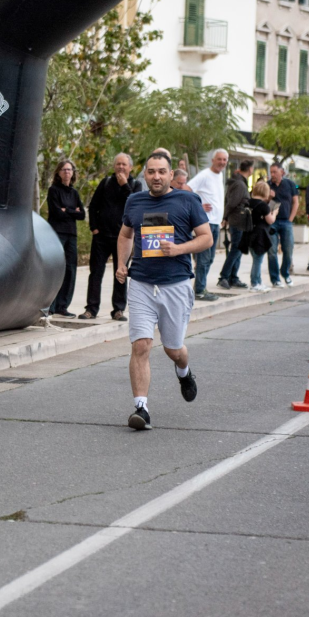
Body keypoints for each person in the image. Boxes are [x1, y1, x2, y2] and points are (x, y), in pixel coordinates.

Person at [115, 151, 211, 431]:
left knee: (173, 349)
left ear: (171, 175)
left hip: (176, 284)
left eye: (161, 171)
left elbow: (207, 238)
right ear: (144, 175)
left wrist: (179, 248)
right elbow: (125, 234)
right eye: (151, 171)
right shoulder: (135, 201)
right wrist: (121, 263)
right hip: (142, 283)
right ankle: (141, 408)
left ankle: (184, 371)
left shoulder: (187, 200)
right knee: (141, 345)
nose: (156, 176)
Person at [82, 153, 141, 321]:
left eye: (124, 164)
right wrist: (94, 228)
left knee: (121, 272)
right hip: (102, 237)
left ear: (130, 167)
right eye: (118, 164)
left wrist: (124, 186)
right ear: (114, 166)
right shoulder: (106, 183)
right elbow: (93, 206)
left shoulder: (135, 185)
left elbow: (135, 204)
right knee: (96, 273)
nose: (120, 167)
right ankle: (91, 309)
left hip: (124, 238)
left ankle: (118, 309)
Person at [186, 149, 228, 301]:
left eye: (224, 160)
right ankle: (199, 291)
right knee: (204, 258)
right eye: (219, 159)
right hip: (206, 224)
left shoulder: (220, 175)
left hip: (216, 222)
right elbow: (187, 188)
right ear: (213, 159)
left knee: (209, 259)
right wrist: (198, 207)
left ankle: (200, 286)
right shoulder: (204, 175)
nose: (222, 162)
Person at [46, 160, 85, 318]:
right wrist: (72, 211)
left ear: (73, 173)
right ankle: (50, 305)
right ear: (58, 173)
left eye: (69, 170)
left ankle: (63, 306)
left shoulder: (74, 193)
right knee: (56, 268)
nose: (67, 172)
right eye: (64, 170)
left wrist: (66, 209)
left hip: (71, 234)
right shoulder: (53, 190)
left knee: (70, 269)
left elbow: (82, 214)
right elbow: (56, 213)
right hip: (57, 233)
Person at [217, 159, 254, 290]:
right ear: (250, 169)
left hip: (239, 220)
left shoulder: (239, 182)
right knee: (236, 249)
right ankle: (224, 276)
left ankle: (233, 277)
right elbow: (231, 203)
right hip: (238, 220)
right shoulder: (240, 184)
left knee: (238, 249)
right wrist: (225, 217)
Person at [239, 180, 277, 291]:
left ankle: (259, 282)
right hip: (260, 236)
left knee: (256, 258)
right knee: (258, 260)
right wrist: (274, 213)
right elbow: (270, 221)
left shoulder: (248, 203)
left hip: (248, 234)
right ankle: (255, 283)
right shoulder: (264, 206)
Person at [267, 164, 299, 288]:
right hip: (271, 221)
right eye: (271, 172)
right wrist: (269, 197)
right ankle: (275, 279)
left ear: (282, 172)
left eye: (275, 172)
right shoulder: (267, 185)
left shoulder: (290, 184)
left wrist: (290, 219)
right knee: (272, 251)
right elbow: (262, 202)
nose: (272, 175)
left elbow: (296, 202)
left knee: (288, 249)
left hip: (286, 221)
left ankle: (285, 273)